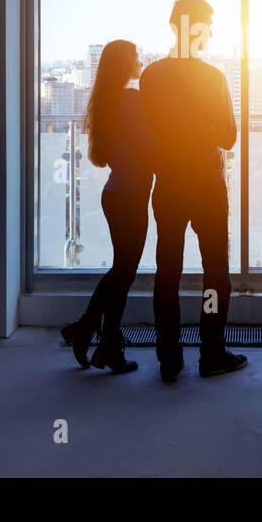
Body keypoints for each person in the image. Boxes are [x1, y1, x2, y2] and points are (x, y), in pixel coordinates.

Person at [139, 0, 247, 383]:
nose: (211, 33)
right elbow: (229, 136)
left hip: (168, 183)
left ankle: (169, 358)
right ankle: (211, 354)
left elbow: (145, 137)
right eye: (208, 25)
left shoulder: (151, 76)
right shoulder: (212, 77)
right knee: (215, 272)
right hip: (206, 183)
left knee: (167, 271)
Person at [60, 40, 154, 374]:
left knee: (121, 271)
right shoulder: (130, 99)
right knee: (124, 273)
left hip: (118, 194)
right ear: (124, 64)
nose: (140, 61)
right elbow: (150, 145)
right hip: (129, 197)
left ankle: (89, 332)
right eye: (135, 57)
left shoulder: (107, 100)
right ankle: (104, 344)